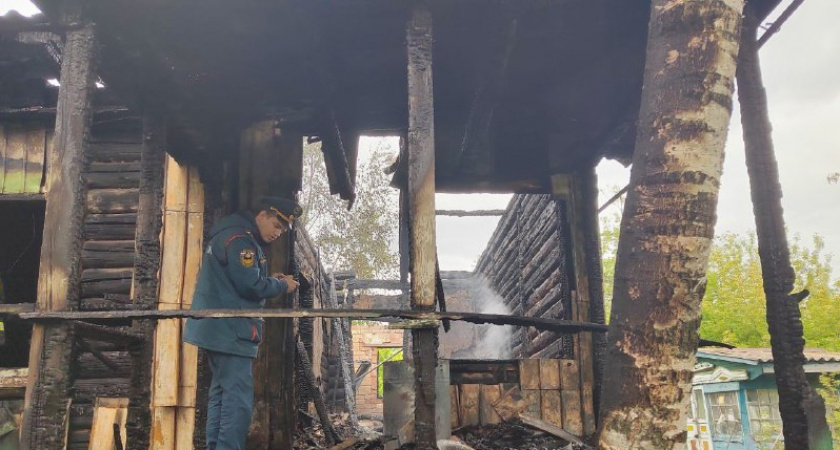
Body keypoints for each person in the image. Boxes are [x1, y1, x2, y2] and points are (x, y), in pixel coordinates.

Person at [183, 196, 302, 450]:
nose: (278, 233)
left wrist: (270, 279)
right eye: (276, 225)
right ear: (261, 215)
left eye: (282, 230)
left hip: (218, 329)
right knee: (237, 400)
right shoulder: (241, 240)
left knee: (222, 396)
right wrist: (282, 285)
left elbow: (240, 279)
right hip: (230, 331)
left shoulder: (234, 235)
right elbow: (250, 285)